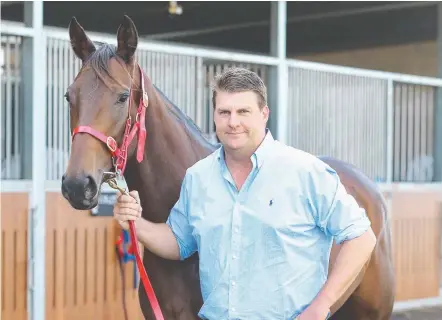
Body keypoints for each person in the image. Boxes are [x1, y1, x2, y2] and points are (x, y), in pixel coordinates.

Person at [113, 67, 377, 320]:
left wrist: (321, 306)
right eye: (224, 112)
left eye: (243, 111)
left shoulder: (306, 172)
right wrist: (137, 223)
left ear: (264, 114)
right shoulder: (198, 178)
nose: (233, 122)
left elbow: (361, 237)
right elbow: (179, 242)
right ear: (214, 115)